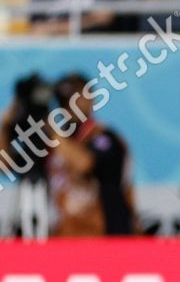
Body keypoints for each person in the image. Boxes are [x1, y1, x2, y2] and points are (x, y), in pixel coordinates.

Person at [48, 73, 136, 237]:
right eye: (65, 101)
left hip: (106, 235)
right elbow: (6, 165)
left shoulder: (105, 138)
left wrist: (52, 132)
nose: (71, 106)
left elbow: (84, 164)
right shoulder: (57, 143)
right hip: (66, 235)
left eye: (76, 98)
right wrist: (6, 124)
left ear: (91, 97)